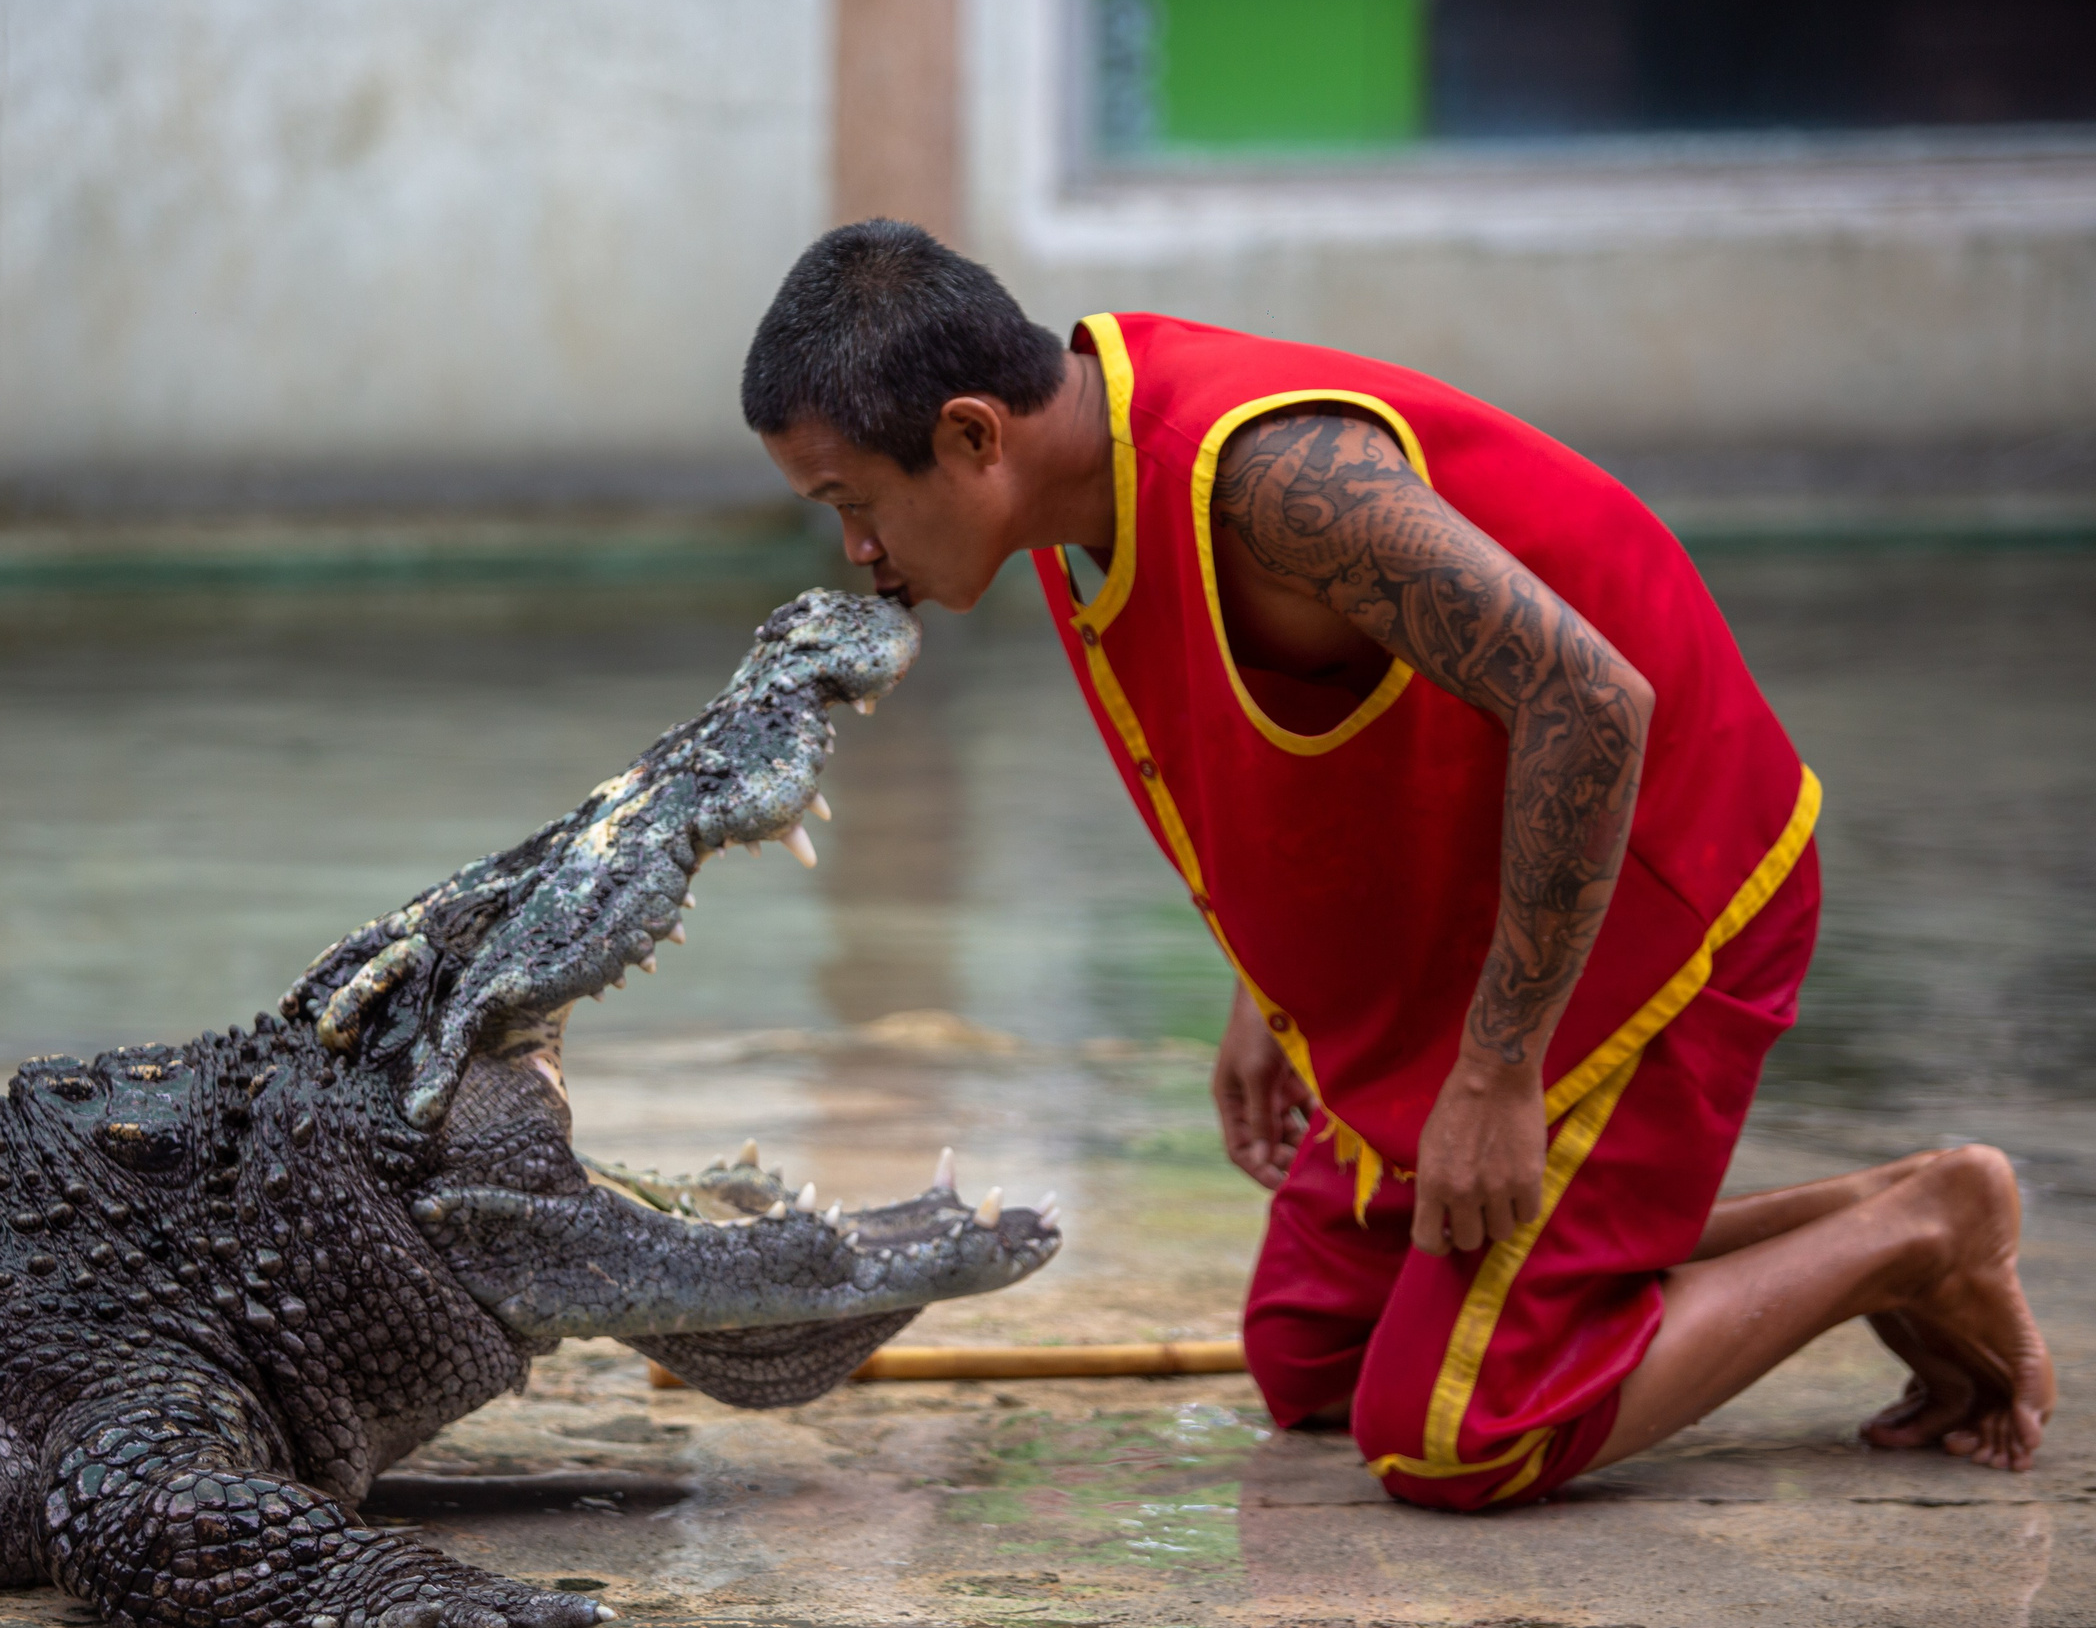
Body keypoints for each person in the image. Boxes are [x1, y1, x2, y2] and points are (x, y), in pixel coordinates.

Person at [741, 219, 2054, 1508]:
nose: (857, 551)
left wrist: (1498, 1075)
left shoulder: (1274, 486)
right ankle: (1849, 1215)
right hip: (1474, 912)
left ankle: (1924, 1228)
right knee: (1310, 1359)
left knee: (1453, 1434)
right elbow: (1298, 727)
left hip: (1664, 906)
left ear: (974, 434)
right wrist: (1267, 989)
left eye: (852, 503)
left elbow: (1590, 703)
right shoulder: (1082, 467)